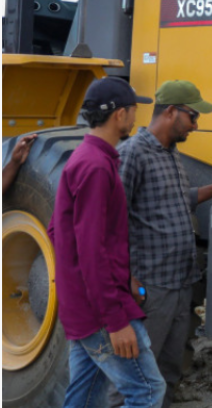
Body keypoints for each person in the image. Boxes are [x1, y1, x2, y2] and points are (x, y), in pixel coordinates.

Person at [109, 80, 212, 408]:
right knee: (134, 376)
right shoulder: (131, 154)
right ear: (170, 111)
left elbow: (177, 201)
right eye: (192, 117)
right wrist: (128, 280)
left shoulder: (173, 154)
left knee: (169, 372)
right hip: (151, 288)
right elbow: (111, 221)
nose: (196, 125)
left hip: (180, 283)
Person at [48, 77, 165, 408]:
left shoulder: (82, 158)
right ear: (119, 115)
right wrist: (114, 320)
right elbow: (90, 251)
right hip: (101, 313)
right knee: (147, 391)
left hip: (85, 307)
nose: (135, 117)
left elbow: (57, 231)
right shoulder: (97, 167)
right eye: (133, 110)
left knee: (85, 398)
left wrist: (120, 278)